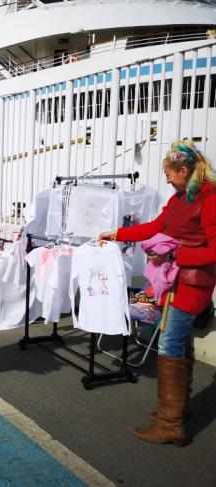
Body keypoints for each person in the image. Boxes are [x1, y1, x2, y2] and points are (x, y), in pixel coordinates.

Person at [99, 140, 216, 447]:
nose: (165, 179)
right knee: (181, 341)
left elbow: (214, 250)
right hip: (177, 282)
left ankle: (170, 424)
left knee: (169, 344)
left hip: (191, 284)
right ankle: (180, 409)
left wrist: (173, 258)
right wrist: (119, 233)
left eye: (168, 173)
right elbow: (155, 226)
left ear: (184, 169)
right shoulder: (181, 197)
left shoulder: (210, 198)